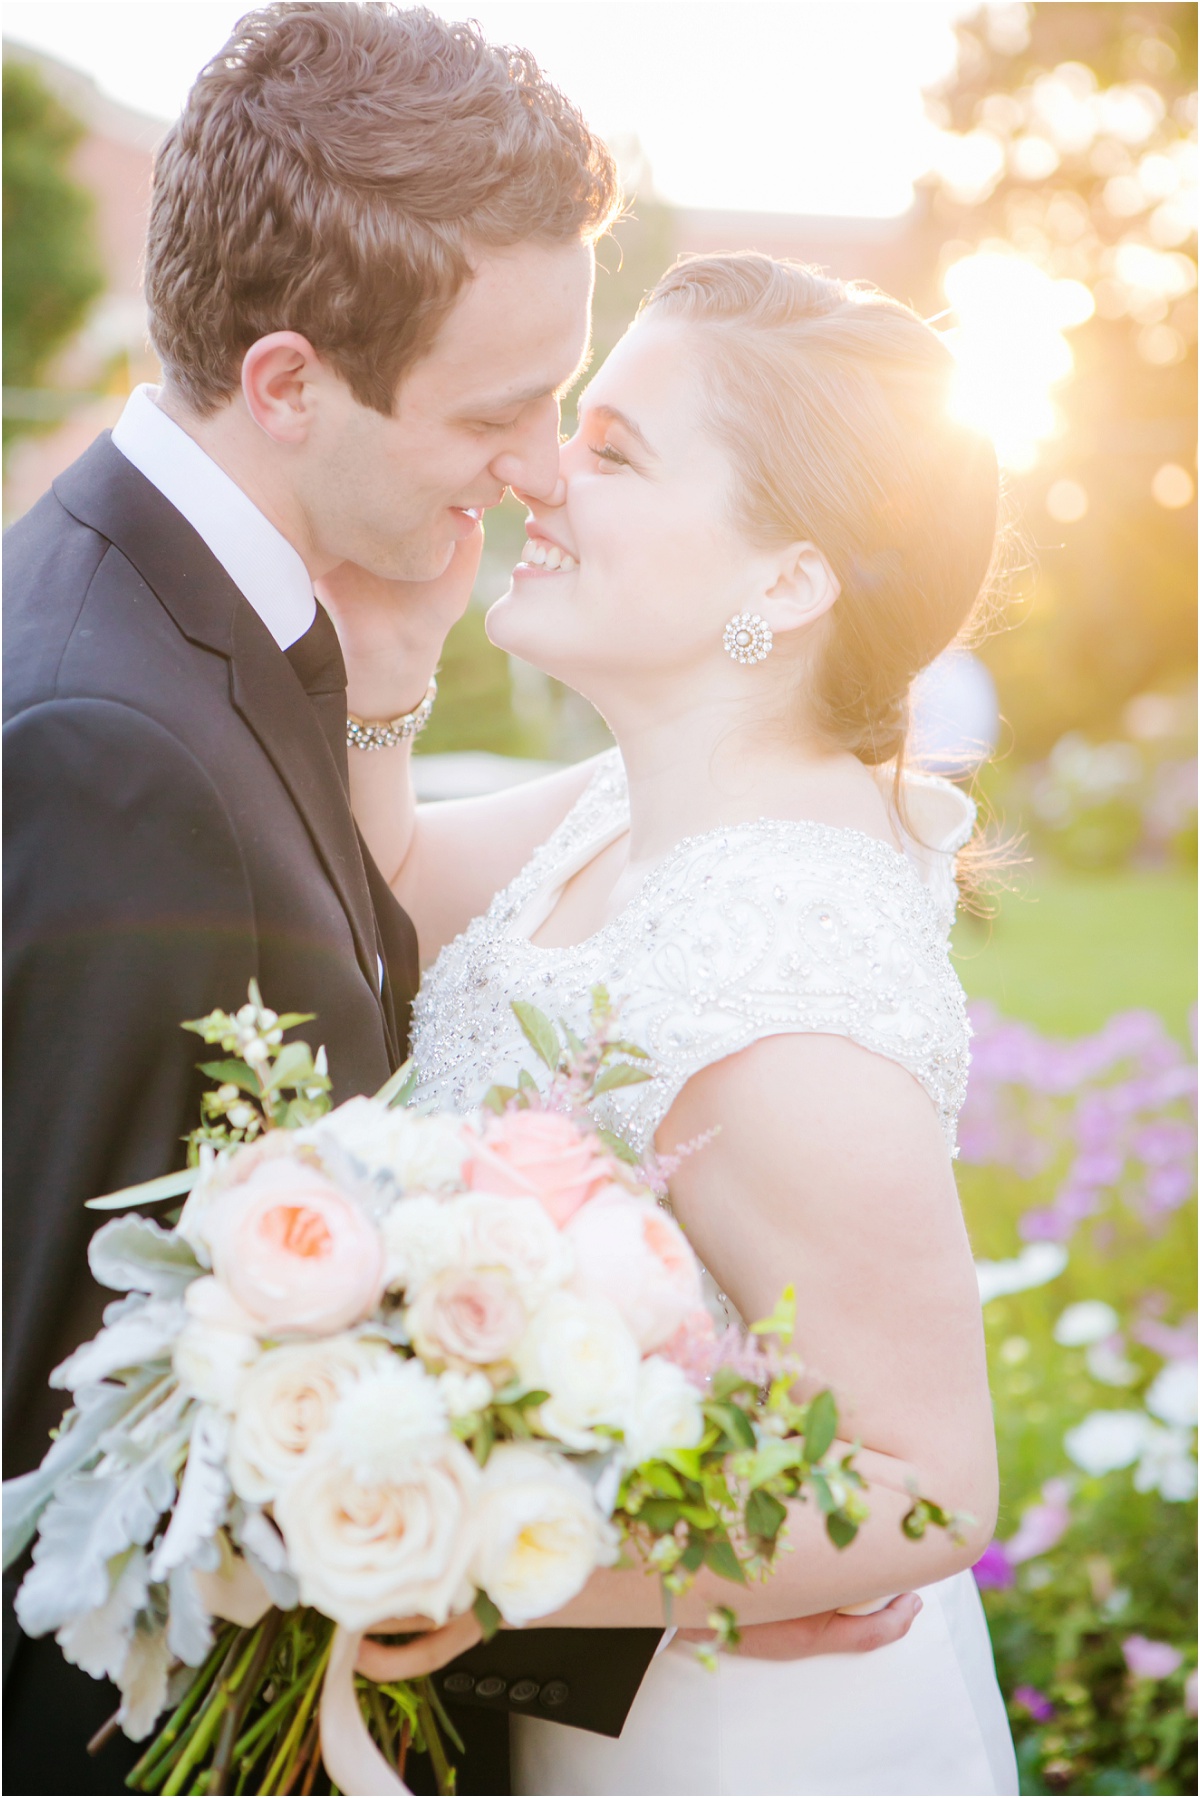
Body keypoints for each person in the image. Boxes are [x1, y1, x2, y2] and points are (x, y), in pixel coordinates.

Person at [2, 7, 912, 1792]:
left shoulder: (207, 630)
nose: (543, 465)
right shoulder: (115, 750)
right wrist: (635, 1607)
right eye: (501, 409)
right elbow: (88, 1482)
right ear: (286, 383)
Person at [327, 252, 1021, 1795]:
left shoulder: (783, 961)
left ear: (787, 579)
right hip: (609, 1707)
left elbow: (925, 1487)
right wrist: (387, 666)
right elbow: (393, 884)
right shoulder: (630, 807)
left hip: (744, 1750)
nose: (542, 473)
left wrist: (477, 1581)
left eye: (617, 450)